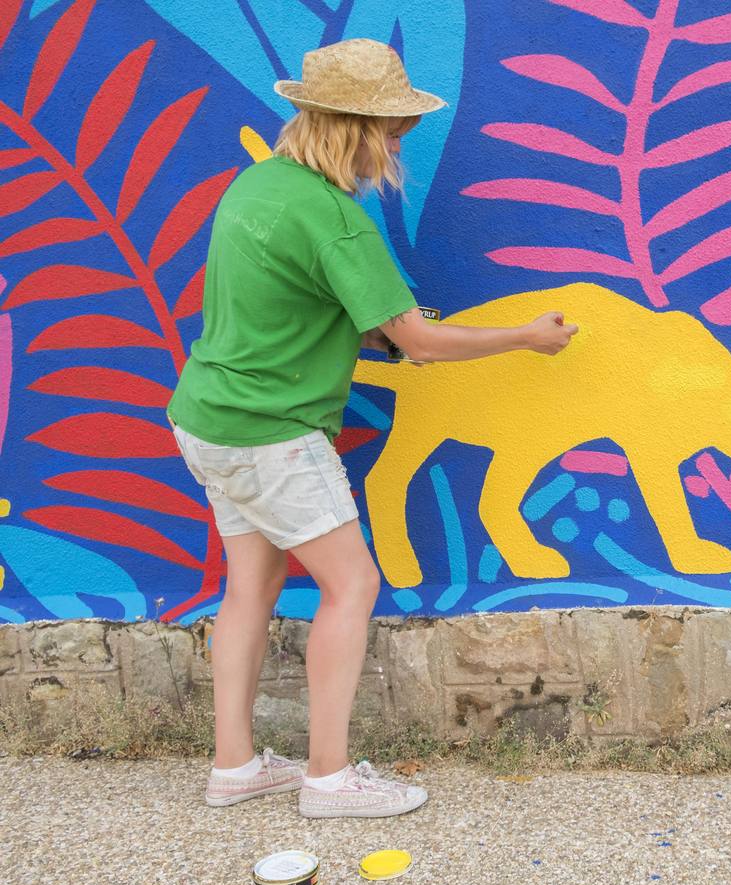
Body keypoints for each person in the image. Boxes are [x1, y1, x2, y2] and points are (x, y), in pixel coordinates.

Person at [166, 38, 577, 819]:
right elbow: (417, 344)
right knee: (352, 583)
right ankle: (329, 779)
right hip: (271, 433)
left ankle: (235, 767)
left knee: (249, 587)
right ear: (354, 128)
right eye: (393, 132)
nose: (397, 148)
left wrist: (385, 325)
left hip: (207, 421)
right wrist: (525, 337)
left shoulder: (259, 187)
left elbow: (300, 309)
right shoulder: (334, 218)